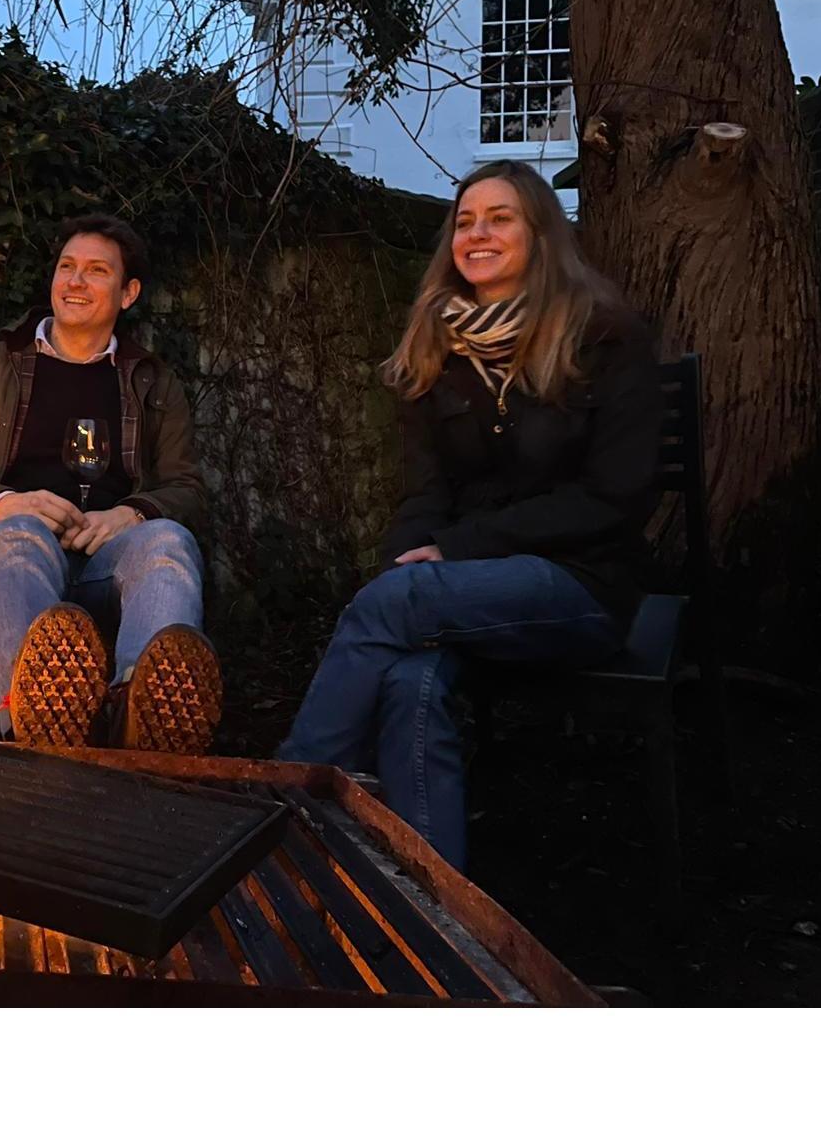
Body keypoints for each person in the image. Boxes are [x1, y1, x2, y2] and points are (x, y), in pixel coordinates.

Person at [275, 160, 661, 868]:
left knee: (394, 606)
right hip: (459, 588)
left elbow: (616, 496)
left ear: (542, 234)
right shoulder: (437, 348)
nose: (476, 233)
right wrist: (406, 560)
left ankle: (282, 816)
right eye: (465, 220)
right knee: (409, 681)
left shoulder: (605, 337)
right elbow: (423, 494)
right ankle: (433, 910)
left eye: (500, 218)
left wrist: (452, 554)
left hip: (578, 583)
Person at [0, 213, 221, 751]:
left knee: (168, 540)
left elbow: (188, 489)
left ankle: (141, 728)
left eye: (96, 270)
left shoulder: (151, 381)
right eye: (66, 267)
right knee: (17, 539)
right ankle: (37, 728)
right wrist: (7, 503)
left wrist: (134, 512)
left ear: (128, 294)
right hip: (20, 554)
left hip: (108, 561)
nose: (75, 281)